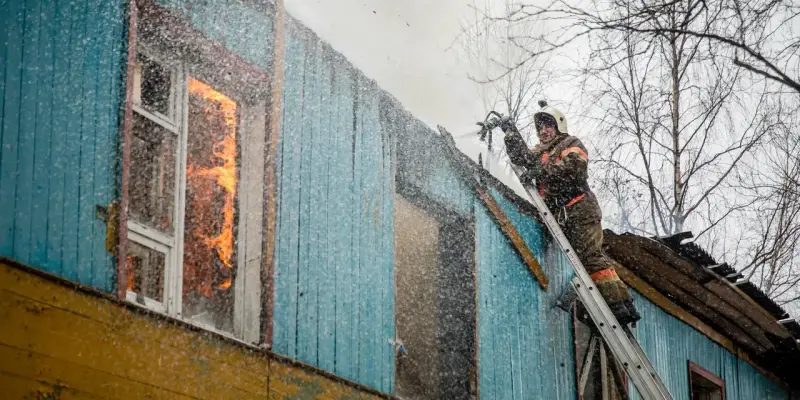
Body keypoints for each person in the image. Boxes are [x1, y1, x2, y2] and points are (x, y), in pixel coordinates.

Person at [501, 101, 640, 326]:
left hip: (581, 211)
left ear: (558, 126)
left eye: (548, 126)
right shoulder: (539, 152)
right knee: (579, 266)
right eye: (540, 128)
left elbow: (574, 168)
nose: (543, 131)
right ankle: (593, 311)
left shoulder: (571, 143)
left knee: (591, 258)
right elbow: (522, 158)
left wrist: (541, 172)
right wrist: (509, 132)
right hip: (562, 217)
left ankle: (620, 307)